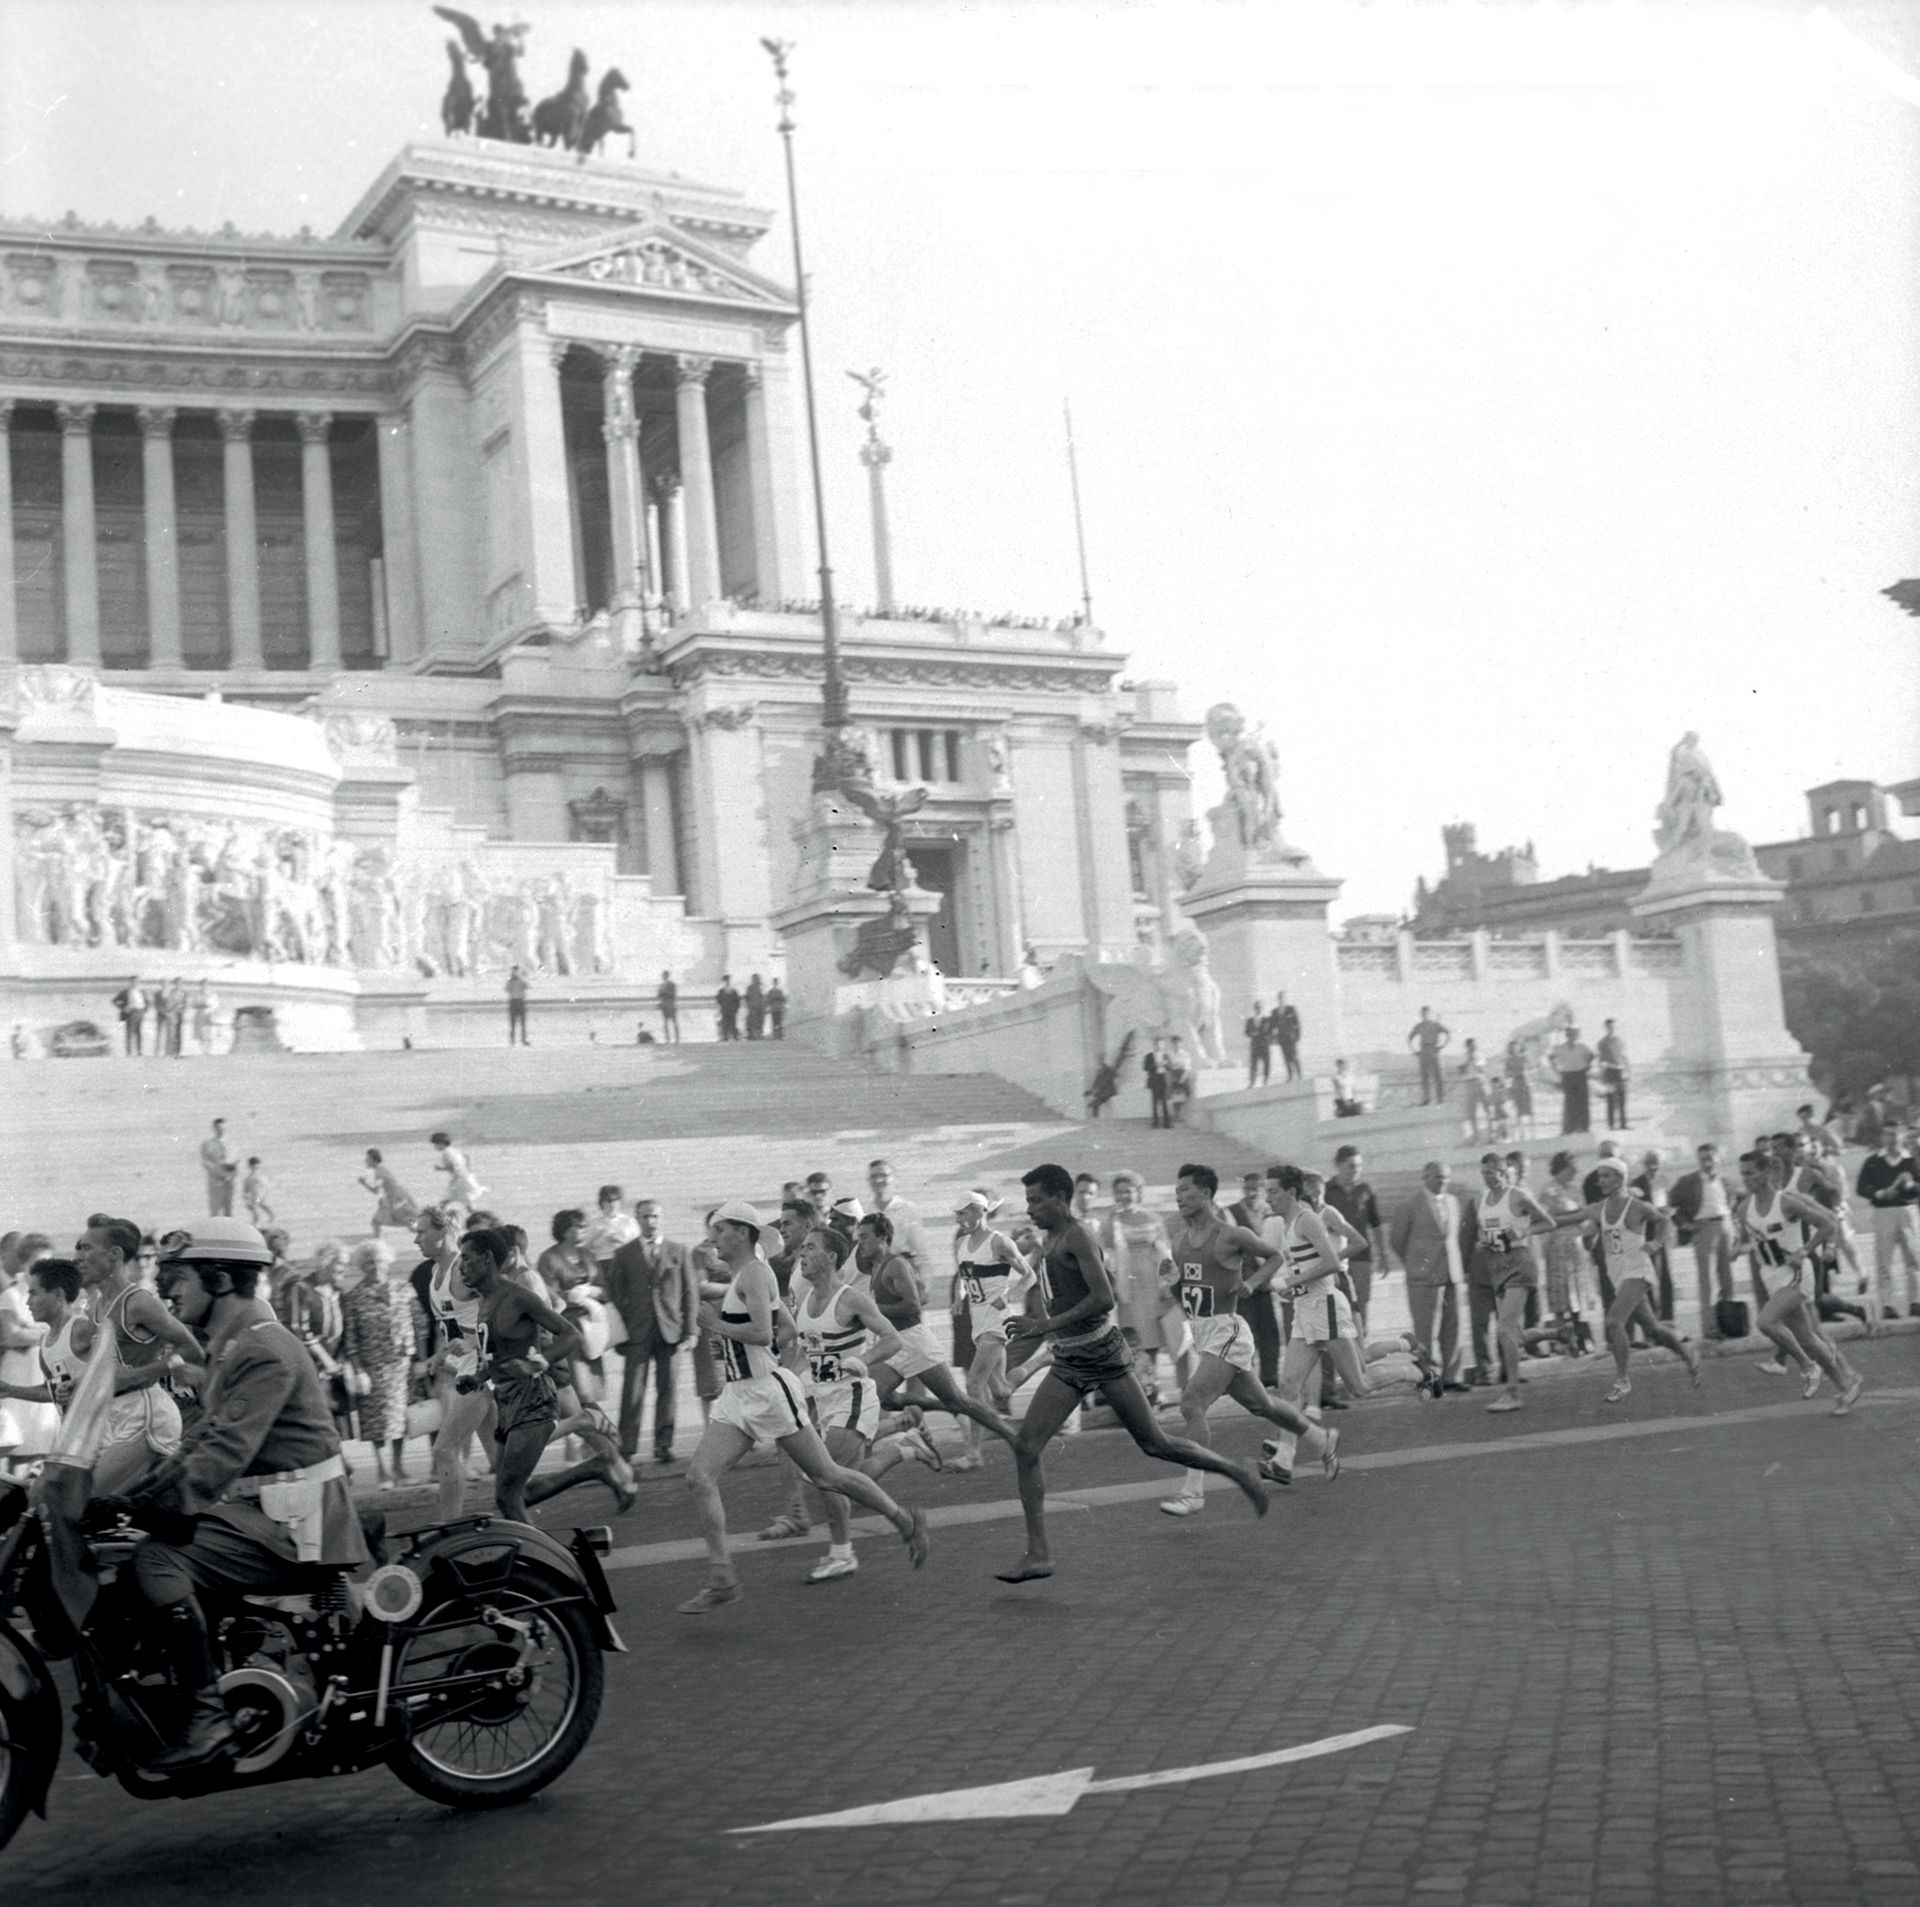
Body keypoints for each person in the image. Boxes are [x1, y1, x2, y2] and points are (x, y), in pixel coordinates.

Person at [109, 1219, 371, 1772]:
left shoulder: (262, 1350)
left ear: (221, 1278)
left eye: (176, 1277)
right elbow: (198, 1442)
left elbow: (222, 1453)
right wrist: (125, 1496)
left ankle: (208, 1718)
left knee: (156, 1559)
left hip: (302, 1521)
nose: (166, 1290)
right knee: (145, 1541)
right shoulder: (235, 1347)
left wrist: (150, 1507)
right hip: (278, 1512)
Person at [997, 1163, 1268, 1583]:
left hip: (1102, 1354)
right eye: (1028, 1200)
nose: (1029, 1209)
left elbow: (1104, 1298)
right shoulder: (1051, 1238)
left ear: (1058, 1198)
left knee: (1155, 1443)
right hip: (1070, 1358)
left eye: (1036, 1200)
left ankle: (1235, 1472)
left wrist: (1044, 1326)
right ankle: (1038, 1554)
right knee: (1026, 1446)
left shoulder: (1078, 1235)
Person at [678, 1201, 929, 1614]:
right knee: (699, 1477)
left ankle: (904, 1520)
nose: (713, 1239)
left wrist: (716, 1326)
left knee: (828, 1476)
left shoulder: (756, 1273)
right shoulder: (745, 1275)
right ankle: (722, 1577)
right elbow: (789, 1330)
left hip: (766, 1392)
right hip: (738, 1394)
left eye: (720, 1230)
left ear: (742, 1232)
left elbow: (761, 1333)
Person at [1156, 1163, 1333, 1517]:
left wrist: (1253, 1285)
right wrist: (1172, 1283)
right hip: (1205, 1332)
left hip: (1228, 1331)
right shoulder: (1178, 1241)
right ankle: (1321, 1440)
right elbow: (1186, 1300)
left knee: (1192, 1402)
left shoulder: (1230, 1234)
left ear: (1206, 1194)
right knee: (1262, 1405)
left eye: (1185, 1190)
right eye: (1176, 1192)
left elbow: (1275, 1256)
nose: (1179, 1197)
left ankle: (1193, 1492)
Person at [787, 1224, 939, 1583]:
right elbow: (808, 1357)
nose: (802, 1254)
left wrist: (863, 1360)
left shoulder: (851, 1298)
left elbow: (892, 1341)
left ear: (831, 1257)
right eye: (802, 1248)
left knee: (824, 1471)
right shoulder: (806, 1302)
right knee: (845, 1479)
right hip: (825, 1402)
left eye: (810, 1248)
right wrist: (788, 1383)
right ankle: (842, 1554)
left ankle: (904, 1521)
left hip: (853, 1397)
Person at [456, 1227, 632, 1524]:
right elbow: (499, 1355)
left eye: (466, 1258)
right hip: (508, 1404)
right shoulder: (485, 1301)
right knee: (513, 1495)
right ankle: (595, 1467)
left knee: (507, 1497)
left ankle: (540, 1562)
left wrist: (536, 1364)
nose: (460, 1266)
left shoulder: (517, 1296)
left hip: (532, 1403)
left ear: (487, 1259)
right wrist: (478, 1377)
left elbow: (570, 1334)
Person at [859, 1210, 1016, 1466]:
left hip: (914, 1341)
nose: (860, 1242)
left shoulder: (896, 1264)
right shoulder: (875, 1266)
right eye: (859, 1237)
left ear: (882, 1238)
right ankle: (920, 1416)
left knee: (959, 1400)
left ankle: (1011, 1436)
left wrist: (871, 1311)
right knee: (882, 1398)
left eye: (865, 1237)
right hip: (895, 1343)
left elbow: (912, 1307)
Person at [79, 1215, 203, 1493]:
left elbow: (191, 1348)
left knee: (84, 1499)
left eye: (88, 1248)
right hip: (112, 1413)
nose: (81, 1255)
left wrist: (139, 1375)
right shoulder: (96, 1305)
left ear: (114, 1254)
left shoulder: (138, 1303)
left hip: (146, 1414)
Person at [1735, 1150, 1863, 1413]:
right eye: (1743, 1173)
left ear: (1767, 1172)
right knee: (1808, 1338)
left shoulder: (1787, 1202)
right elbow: (1748, 1239)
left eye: (1750, 1173)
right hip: (1770, 1275)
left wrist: (1805, 1250)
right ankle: (1847, 1384)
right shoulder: (1743, 1208)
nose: (1745, 1178)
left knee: (1766, 1322)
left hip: (1796, 1274)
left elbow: (1828, 1223)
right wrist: (1738, 1249)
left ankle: (1807, 1366)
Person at [1582, 1157, 1699, 1404]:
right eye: (1599, 1176)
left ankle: (1622, 1380)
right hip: (1618, 1274)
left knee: (1614, 1321)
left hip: (1638, 1270)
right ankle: (1687, 1352)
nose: (1600, 1181)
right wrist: (1586, 1238)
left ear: (1620, 1178)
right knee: (1653, 1329)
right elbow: (1573, 1226)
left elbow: (1663, 1220)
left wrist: (1655, 1242)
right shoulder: (1599, 1208)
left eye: (1606, 1176)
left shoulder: (1636, 1205)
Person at [1461, 1154, 1557, 1413]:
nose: (1488, 1178)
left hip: (1519, 1264)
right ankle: (1557, 1332)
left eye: (1492, 1173)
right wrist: (1486, 1241)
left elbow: (1547, 1222)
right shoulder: (1480, 1201)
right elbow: (1485, 1231)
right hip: (1496, 1267)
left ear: (1504, 1172)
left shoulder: (1517, 1196)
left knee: (1504, 1329)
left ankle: (1512, 1392)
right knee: (1513, 1332)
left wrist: (1520, 1232)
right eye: (1484, 1173)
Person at [607, 1198, 699, 1464]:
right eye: (645, 1217)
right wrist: (625, 1325)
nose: (650, 1222)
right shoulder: (624, 1254)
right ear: (636, 1219)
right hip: (638, 1331)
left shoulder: (678, 1251)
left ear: (662, 1218)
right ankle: (626, 1446)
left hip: (670, 1330)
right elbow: (616, 1292)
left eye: (655, 1216)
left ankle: (663, 1443)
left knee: (668, 1388)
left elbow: (690, 1293)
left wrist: (691, 1331)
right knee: (632, 1390)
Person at [1100, 1171, 1187, 1403]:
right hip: (1126, 1284)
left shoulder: (1152, 1217)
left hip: (1151, 1282)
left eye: (1129, 1190)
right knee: (1132, 1337)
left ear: (1138, 1192)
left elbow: (1165, 1251)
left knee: (1152, 1338)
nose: (1125, 1195)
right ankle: (1140, 1388)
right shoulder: (1111, 1219)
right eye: (1119, 1192)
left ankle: (1153, 1385)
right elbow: (1104, 1252)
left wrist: (1169, 1285)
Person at [340, 1238, 420, 1489]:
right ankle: (383, 1471)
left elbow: (420, 1323)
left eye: (379, 1260)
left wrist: (421, 1358)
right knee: (376, 1422)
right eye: (369, 1262)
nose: (375, 1266)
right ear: (362, 1266)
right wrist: (358, 1369)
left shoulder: (403, 1288)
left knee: (400, 1417)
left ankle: (398, 1467)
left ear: (388, 1262)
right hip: (372, 1366)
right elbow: (350, 1338)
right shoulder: (353, 1297)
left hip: (401, 1364)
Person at [952, 1190, 1034, 1418]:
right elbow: (963, 1275)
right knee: (1001, 1391)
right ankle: (1046, 1358)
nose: (959, 1220)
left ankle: (978, 1446)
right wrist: (958, 1298)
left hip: (997, 1319)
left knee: (973, 1384)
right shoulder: (961, 1243)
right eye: (957, 1215)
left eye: (963, 1213)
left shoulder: (999, 1243)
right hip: (977, 1319)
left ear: (980, 1211)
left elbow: (1029, 1276)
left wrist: (1010, 1295)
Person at [1388, 1162, 1467, 1391]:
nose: (1441, 1182)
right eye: (1436, 1178)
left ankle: (1452, 1376)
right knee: (1424, 1330)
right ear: (1425, 1178)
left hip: (1452, 1272)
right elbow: (1396, 1240)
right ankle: (1427, 1377)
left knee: (1453, 1326)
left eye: (1445, 1178)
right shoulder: (1409, 1205)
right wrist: (1416, 1264)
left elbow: (1453, 1237)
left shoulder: (1453, 1202)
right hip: (1423, 1276)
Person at [1670, 1141, 1740, 1336]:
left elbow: (1732, 1204)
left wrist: (1734, 1228)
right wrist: (1685, 1225)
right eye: (1702, 1159)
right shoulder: (1687, 1181)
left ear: (1718, 1158)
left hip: (1725, 1225)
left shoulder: (1725, 1181)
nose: (1707, 1163)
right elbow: (1672, 1206)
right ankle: (1710, 1327)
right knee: (1706, 1279)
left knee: (1727, 1277)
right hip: (1703, 1227)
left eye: (1710, 1158)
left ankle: (1730, 1323)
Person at [1323, 1145, 1387, 1341]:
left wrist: (1383, 1255)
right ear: (1339, 1165)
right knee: (1335, 1306)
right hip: (1336, 1257)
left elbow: (1375, 1224)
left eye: (1359, 1166)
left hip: (1361, 1258)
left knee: (1359, 1306)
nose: (1356, 1170)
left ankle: (1360, 1350)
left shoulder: (1365, 1190)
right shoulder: (1326, 1190)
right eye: (1351, 1166)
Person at [1856, 1129, 1920, 1321]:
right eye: (1887, 1134)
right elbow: (1861, 1187)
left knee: (1913, 1258)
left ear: (1901, 1137)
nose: (1891, 1138)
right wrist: (1878, 1194)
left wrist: (1910, 1186)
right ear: (1882, 1137)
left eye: (1895, 1134)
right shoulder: (1873, 1161)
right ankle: (1887, 1304)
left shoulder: (1911, 1160)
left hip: (1907, 1210)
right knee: (1884, 1259)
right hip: (1883, 1211)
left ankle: (1915, 1301)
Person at [867, 1158, 934, 1303]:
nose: (879, 1180)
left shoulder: (907, 1209)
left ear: (893, 1179)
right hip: (876, 1278)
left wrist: (925, 1287)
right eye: (874, 1176)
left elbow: (922, 1252)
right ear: (869, 1181)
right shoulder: (866, 1212)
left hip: (903, 1276)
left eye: (884, 1176)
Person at [356, 1147, 419, 1238]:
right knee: (408, 1224)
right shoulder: (380, 1169)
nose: (365, 1161)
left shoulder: (379, 1172)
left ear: (374, 1160)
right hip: (399, 1197)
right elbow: (382, 1189)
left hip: (395, 1199)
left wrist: (364, 1183)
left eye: (367, 1159)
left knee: (377, 1222)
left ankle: (377, 1244)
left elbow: (376, 1191)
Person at [1551, 1026, 1595, 1136]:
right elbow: (1551, 1057)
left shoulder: (1582, 1047)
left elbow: (1592, 1056)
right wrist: (1556, 1070)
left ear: (1576, 1035)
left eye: (1573, 1034)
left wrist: (1588, 1067)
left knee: (1582, 1102)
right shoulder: (1561, 1047)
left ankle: (1583, 1128)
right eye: (1569, 1034)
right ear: (1566, 1035)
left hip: (1580, 1074)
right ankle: (1568, 1129)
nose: (1571, 1036)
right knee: (1569, 1103)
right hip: (1567, 1075)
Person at [429, 1130, 488, 1211]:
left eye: (436, 1144)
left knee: (445, 1202)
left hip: (460, 1182)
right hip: (464, 1179)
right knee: (465, 1204)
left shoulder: (446, 1153)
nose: (435, 1147)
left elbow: (453, 1166)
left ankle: (440, 1221)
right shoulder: (454, 1150)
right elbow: (466, 1158)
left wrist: (440, 1168)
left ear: (441, 1143)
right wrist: (467, 1171)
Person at [1408, 1006, 1451, 1104]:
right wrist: (1415, 1051)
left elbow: (1448, 1033)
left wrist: (1442, 1046)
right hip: (1423, 1051)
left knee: (1437, 1076)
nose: (1424, 1015)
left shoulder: (1435, 1025)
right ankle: (1426, 1099)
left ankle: (1440, 1099)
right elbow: (1410, 1038)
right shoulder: (1419, 1026)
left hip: (1433, 1050)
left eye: (1426, 1013)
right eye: (1423, 1013)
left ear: (1429, 1014)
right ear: (1421, 1015)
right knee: (1424, 1076)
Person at [200, 1117, 238, 1216]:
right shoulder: (208, 1144)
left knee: (229, 1211)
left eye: (223, 1129)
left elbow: (236, 1162)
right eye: (219, 1128)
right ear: (214, 1128)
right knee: (215, 1212)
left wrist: (231, 1175)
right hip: (216, 1182)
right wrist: (222, 1174)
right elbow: (207, 1163)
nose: (221, 1131)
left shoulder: (232, 1145)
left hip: (229, 1183)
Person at [1597, 1020, 1631, 1130]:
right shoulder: (1602, 1042)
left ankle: (1623, 1124)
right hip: (1610, 1071)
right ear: (1606, 1028)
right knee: (1611, 1100)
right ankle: (1611, 1125)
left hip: (1621, 1071)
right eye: (1609, 1027)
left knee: (1622, 1099)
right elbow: (1601, 1061)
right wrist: (1602, 1076)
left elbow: (1624, 1057)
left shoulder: (1620, 1041)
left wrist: (1629, 1071)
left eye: (1613, 1026)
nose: (1611, 1028)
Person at [1459, 1039, 1492, 1142]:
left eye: (1474, 1046)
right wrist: (1467, 1061)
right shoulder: (1463, 1057)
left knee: (1488, 1109)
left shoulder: (1480, 1055)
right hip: (1469, 1083)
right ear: (1467, 1047)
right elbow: (1461, 1072)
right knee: (1471, 1112)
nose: (1472, 1048)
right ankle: (1476, 1137)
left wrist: (1475, 1061)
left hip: (1480, 1082)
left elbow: (1483, 1070)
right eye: (1470, 1046)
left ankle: (1491, 1135)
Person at [1503, 1039, 1535, 1139]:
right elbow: (1507, 1074)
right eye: (1512, 1047)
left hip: (1525, 1082)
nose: (1514, 1049)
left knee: (1528, 1108)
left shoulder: (1524, 1058)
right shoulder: (1508, 1060)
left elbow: (1531, 1068)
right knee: (1518, 1108)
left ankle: (1532, 1132)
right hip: (1515, 1083)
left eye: (1516, 1047)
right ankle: (1522, 1133)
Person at [113, 976, 148, 1057]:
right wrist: (123, 1008)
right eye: (133, 981)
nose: (135, 983)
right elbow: (115, 1000)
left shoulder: (142, 991)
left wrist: (144, 1010)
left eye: (137, 981)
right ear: (130, 982)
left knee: (139, 1032)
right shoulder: (126, 992)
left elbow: (146, 1001)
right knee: (129, 1032)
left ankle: (139, 1052)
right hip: (130, 1013)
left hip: (140, 1012)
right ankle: (129, 1052)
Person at [1144, 1038, 1173, 1129]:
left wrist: (1165, 1064)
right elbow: (1145, 1067)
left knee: (1165, 1102)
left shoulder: (1165, 1055)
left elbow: (1170, 1066)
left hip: (1163, 1079)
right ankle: (1155, 1122)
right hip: (1154, 1080)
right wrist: (1154, 1066)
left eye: (1161, 1044)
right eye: (1157, 1044)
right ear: (1154, 1045)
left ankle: (1166, 1123)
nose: (1159, 1046)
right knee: (1155, 1102)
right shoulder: (1149, 1056)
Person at [1244, 1000, 1272, 1088]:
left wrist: (1263, 1035)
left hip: (1264, 1044)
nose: (1258, 1009)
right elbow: (1246, 1032)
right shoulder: (1250, 1020)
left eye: (1259, 1007)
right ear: (1254, 1009)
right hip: (1255, 1045)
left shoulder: (1266, 1019)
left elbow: (1269, 1031)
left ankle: (1266, 1080)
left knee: (1266, 1062)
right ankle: (1252, 1081)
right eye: (1256, 1007)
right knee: (1253, 1063)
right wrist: (1252, 1033)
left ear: (1262, 1009)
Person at [240, 1156, 274, 1229]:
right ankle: (256, 1226)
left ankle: (269, 1219)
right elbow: (245, 1190)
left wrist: (265, 1195)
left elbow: (266, 1188)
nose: (256, 1170)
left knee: (263, 1207)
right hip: (254, 1198)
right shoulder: (248, 1179)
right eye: (254, 1168)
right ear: (250, 1167)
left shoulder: (262, 1178)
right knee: (256, 1213)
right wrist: (246, 1200)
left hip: (261, 1197)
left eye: (257, 1168)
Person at [1275, 995, 1302, 1082]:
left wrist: (1297, 1035)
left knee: (1294, 1056)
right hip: (1282, 1038)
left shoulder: (1291, 1009)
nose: (1281, 1000)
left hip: (1291, 1037)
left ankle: (1299, 1074)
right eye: (1279, 998)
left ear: (1284, 999)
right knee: (1286, 1057)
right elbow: (1272, 1025)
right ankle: (1290, 1075)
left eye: (1282, 998)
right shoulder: (1275, 1011)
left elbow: (1296, 1023)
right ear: (1278, 1000)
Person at [505, 963, 530, 1044]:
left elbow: (527, 986)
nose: (515, 972)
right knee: (512, 1023)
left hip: (520, 1001)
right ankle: (512, 1040)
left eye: (516, 971)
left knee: (523, 1023)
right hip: (513, 1001)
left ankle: (523, 1039)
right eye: (514, 971)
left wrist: (521, 977)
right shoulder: (510, 980)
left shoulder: (521, 980)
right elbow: (507, 989)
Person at [715, 973, 741, 1041]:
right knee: (725, 1024)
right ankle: (725, 1036)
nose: (726, 982)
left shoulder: (733, 991)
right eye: (725, 980)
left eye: (727, 980)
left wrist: (736, 1009)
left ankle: (734, 1036)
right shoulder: (721, 991)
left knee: (733, 1023)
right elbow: (719, 1000)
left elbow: (737, 1001)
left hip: (731, 1010)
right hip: (725, 1010)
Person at [658, 970, 680, 1042]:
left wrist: (664, 994)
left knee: (674, 1022)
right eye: (663, 975)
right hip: (664, 1005)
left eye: (665, 975)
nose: (664, 977)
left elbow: (673, 994)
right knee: (666, 1023)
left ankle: (677, 1038)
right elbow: (659, 995)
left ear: (667, 976)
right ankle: (667, 1039)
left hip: (670, 1004)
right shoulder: (661, 985)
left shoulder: (671, 984)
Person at [744, 974, 767, 1040]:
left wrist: (764, 1006)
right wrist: (749, 1005)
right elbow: (747, 998)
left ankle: (759, 1034)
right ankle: (753, 1035)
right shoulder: (750, 988)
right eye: (755, 979)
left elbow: (763, 997)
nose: (756, 980)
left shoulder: (761, 987)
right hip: (753, 1008)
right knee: (753, 1021)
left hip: (760, 1008)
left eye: (757, 979)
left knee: (760, 1021)